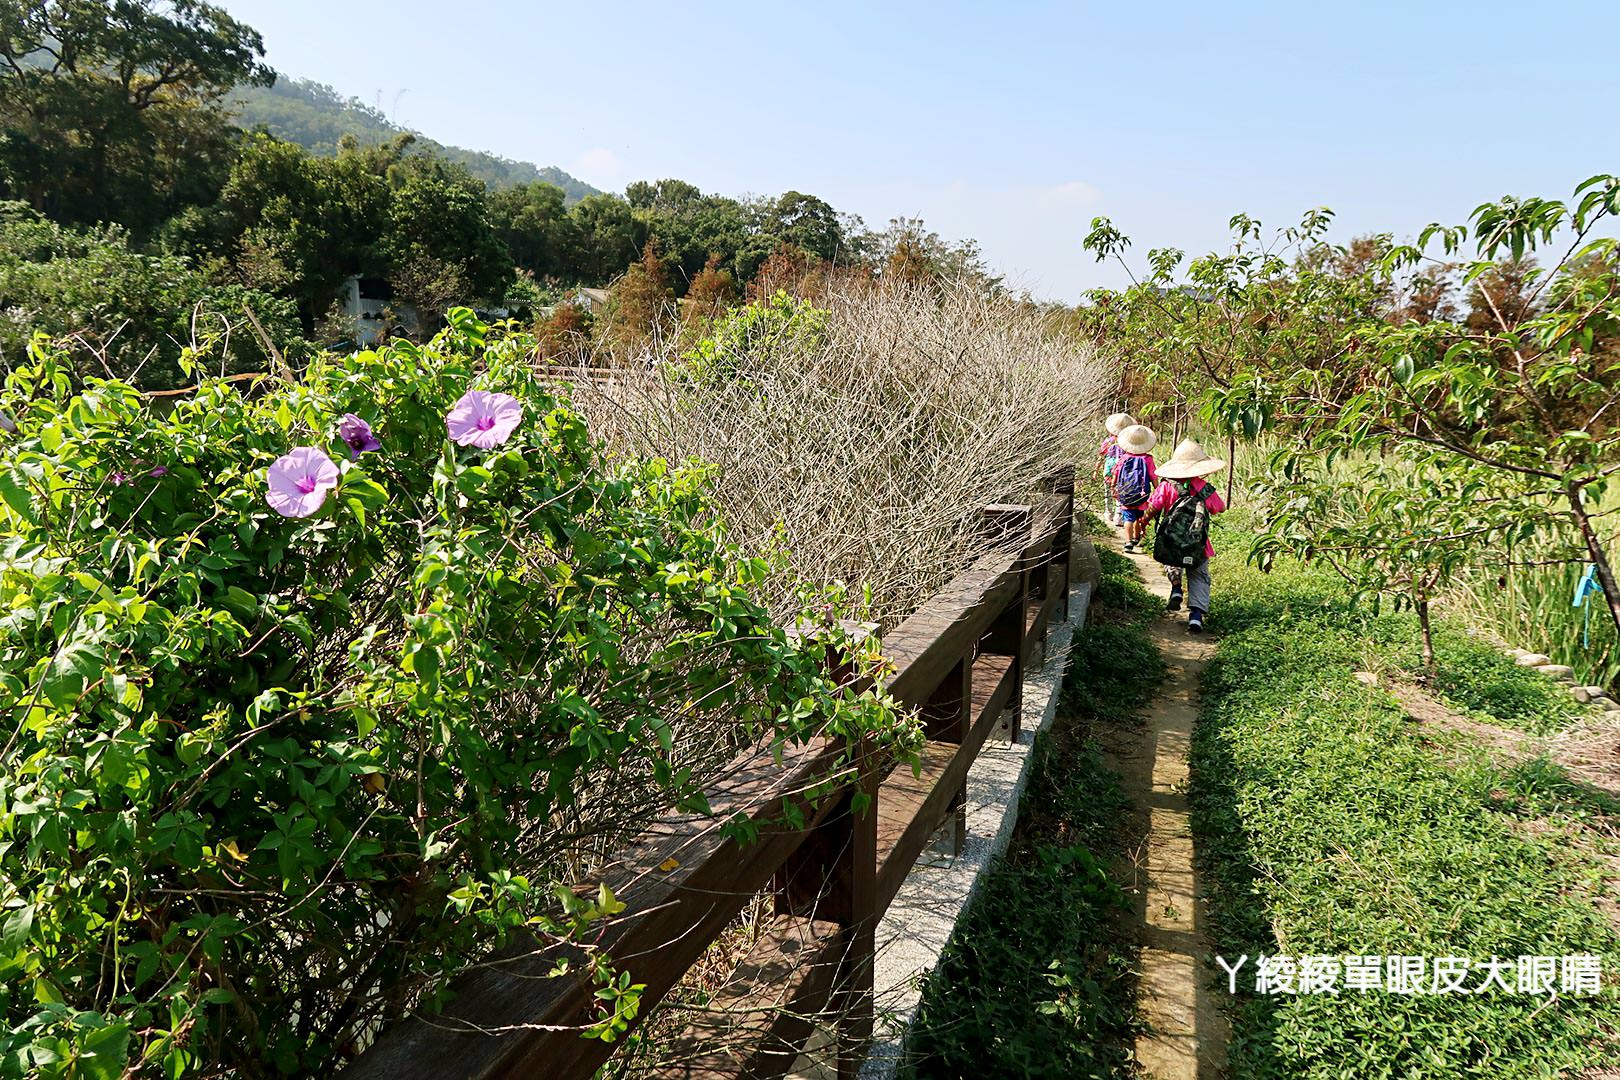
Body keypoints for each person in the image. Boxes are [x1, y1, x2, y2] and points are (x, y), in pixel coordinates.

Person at [1141, 439, 1227, 633]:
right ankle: (1196, 616)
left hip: (1171, 540)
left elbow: (1153, 508)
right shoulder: (1204, 488)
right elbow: (1219, 508)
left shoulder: (1166, 486)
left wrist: (1143, 524)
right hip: (1198, 543)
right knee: (1199, 576)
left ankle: (1177, 588)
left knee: (1172, 561)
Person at [1112, 424, 1158, 553]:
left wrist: (1113, 486)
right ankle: (1136, 538)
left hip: (1126, 493)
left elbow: (1115, 473)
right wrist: (1157, 488)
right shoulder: (1148, 459)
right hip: (1142, 494)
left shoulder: (1124, 458)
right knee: (1139, 517)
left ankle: (1128, 542)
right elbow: (1153, 475)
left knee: (1128, 518)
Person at [1093, 412, 1134, 526]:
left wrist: (1096, 471)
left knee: (1108, 491)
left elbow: (1101, 457)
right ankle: (1118, 516)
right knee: (1120, 493)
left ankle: (1108, 512)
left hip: (1109, 470)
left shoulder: (1108, 442)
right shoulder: (1128, 443)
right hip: (1122, 472)